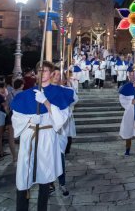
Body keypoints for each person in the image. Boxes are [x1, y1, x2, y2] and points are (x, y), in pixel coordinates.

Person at [11, 61, 74, 211]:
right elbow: (16, 119)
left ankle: (42, 208)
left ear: (52, 74)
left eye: (45, 71)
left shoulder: (60, 93)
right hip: (29, 136)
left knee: (44, 176)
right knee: (24, 176)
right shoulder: (25, 95)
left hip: (47, 137)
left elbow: (62, 119)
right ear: (35, 73)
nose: (42, 73)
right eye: (39, 70)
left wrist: (46, 102)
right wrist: (30, 119)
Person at [49, 67, 78, 197]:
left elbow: (73, 102)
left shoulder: (68, 91)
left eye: (58, 74)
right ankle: (49, 183)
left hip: (60, 130)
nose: (56, 76)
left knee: (60, 157)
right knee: (48, 158)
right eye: (53, 74)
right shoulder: (42, 91)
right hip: (47, 130)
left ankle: (62, 183)